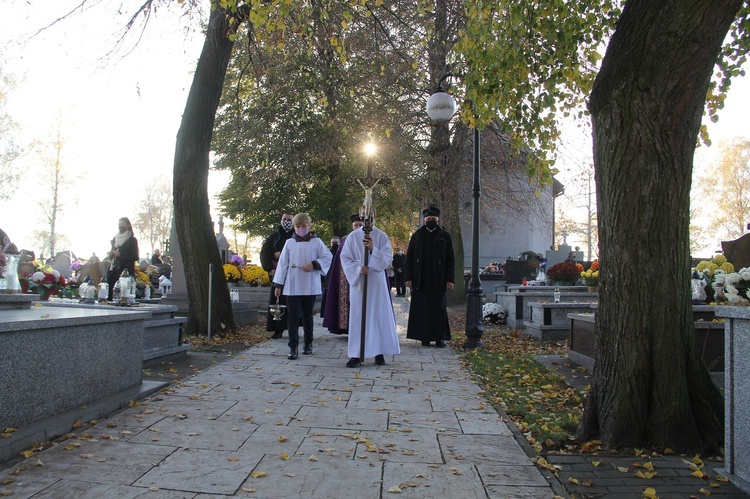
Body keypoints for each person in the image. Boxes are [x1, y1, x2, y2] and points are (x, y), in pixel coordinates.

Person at [340, 207, 400, 367]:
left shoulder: (381, 236)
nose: (367, 219)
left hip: (376, 282)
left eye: (370, 216)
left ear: (375, 216)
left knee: (377, 316)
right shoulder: (352, 237)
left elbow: (387, 258)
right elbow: (345, 258)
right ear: (360, 216)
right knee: (359, 316)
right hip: (360, 282)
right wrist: (359, 268)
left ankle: (378, 352)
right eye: (364, 216)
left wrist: (373, 250)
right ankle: (356, 354)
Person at [273, 213, 332, 360]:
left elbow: (327, 257)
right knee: (292, 317)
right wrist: (278, 285)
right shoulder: (289, 243)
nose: (300, 229)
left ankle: (308, 343)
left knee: (307, 316)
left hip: (309, 284)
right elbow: (282, 265)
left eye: (303, 226)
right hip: (292, 284)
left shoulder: (317, 242)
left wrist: (314, 264)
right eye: (298, 226)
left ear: (309, 226)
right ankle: (293, 347)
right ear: (294, 227)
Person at [405, 206, 455, 347]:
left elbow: (451, 260)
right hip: (420, 279)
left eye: (433, 219)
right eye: (428, 219)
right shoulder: (416, 236)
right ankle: (424, 337)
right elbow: (409, 258)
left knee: (438, 309)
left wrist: (450, 279)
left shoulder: (445, 236)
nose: (431, 221)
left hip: (439, 280)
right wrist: (408, 278)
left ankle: (439, 338)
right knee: (422, 309)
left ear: (438, 221)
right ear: (424, 220)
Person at [322, 215, 363, 335]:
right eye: (356, 225)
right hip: (345, 277)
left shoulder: (370, 238)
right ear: (352, 226)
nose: (358, 227)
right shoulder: (346, 240)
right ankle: (346, 327)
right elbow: (339, 260)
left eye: (360, 225)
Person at [260, 212, 295, 339]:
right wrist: (269, 269)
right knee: (277, 301)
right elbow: (264, 253)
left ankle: (293, 328)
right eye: (284, 219)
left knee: (293, 302)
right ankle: (277, 329)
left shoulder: (297, 236)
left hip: (293, 275)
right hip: (277, 274)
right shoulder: (274, 237)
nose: (286, 221)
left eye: (289, 220)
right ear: (281, 221)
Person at [106, 217, 139, 301]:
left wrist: (120, 254)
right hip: (114, 268)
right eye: (119, 224)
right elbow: (111, 253)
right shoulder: (115, 239)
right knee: (110, 287)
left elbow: (135, 256)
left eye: (122, 224)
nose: (120, 226)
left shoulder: (132, 240)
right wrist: (111, 254)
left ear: (127, 225)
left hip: (125, 270)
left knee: (123, 292)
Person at [319, 236, 340, 318]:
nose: (334, 244)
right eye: (333, 242)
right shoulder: (327, 254)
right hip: (328, 281)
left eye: (336, 243)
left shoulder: (342, 254)